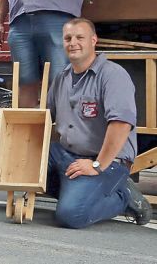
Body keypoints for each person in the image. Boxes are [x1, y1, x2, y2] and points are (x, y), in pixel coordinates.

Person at [45, 18, 151, 228]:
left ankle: (123, 197)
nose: (72, 42)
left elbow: (121, 125)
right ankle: (83, 191)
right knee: (28, 164)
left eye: (80, 37)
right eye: (68, 38)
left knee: (71, 215)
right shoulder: (62, 78)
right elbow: (46, 116)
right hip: (68, 154)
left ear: (94, 40)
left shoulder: (113, 75)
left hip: (107, 161)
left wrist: (97, 165)